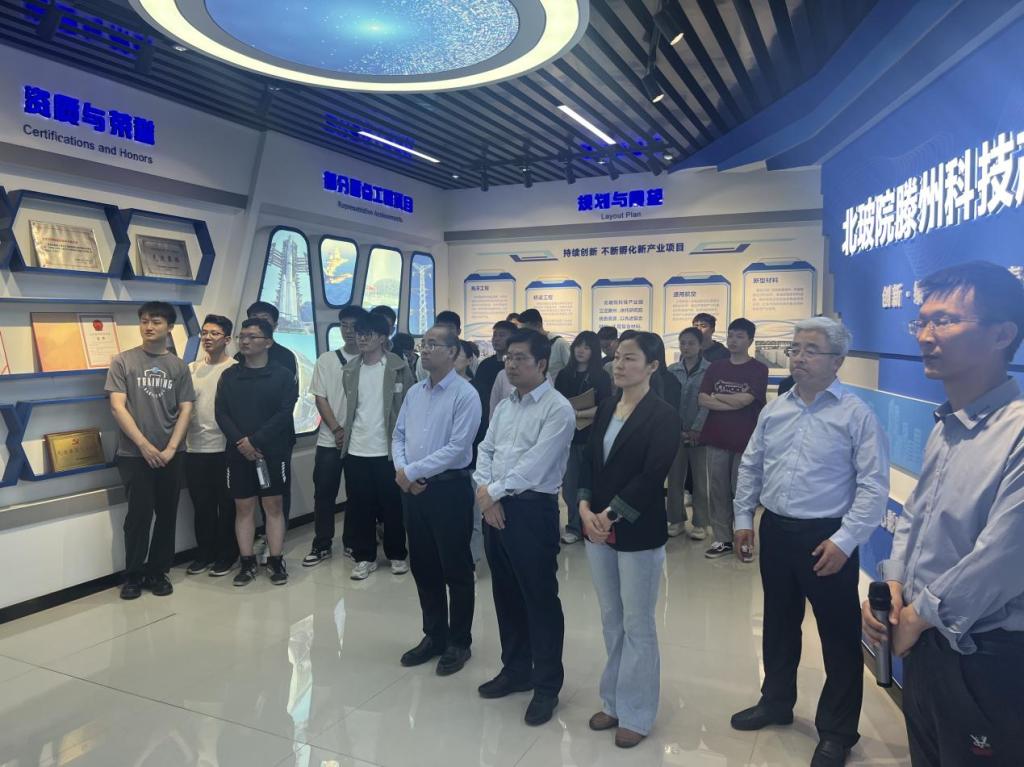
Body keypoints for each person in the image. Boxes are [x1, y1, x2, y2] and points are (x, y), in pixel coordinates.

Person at [862, 261, 1024, 767]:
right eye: (922, 321)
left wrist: (917, 616)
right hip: (925, 641)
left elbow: (1003, 558)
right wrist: (892, 583)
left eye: (946, 321)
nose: (926, 336)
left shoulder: (1017, 431)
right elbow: (915, 514)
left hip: (984, 653)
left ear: (1002, 334)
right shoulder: (946, 425)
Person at [730, 317, 889, 767]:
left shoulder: (856, 415)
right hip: (777, 529)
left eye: (811, 350)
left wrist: (845, 541)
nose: (798, 357)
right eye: (795, 349)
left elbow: (873, 486)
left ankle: (837, 732)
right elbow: (752, 465)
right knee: (778, 623)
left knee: (838, 637)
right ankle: (776, 701)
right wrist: (743, 519)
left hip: (827, 538)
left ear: (838, 361)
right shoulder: (775, 410)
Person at [578, 332, 681, 748]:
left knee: (637, 622)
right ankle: (613, 700)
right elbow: (588, 461)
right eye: (618, 357)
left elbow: (652, 475)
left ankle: (637, 712)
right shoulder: (607, 406)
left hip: (636, 528)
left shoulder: (663, 415)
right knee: (611, 617)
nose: (619, 365)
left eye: (630, 358)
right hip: (596, 529)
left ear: (653, 366)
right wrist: (584, 507)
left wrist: (609, 514)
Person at [473, 329, 575, 726]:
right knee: (506, 594)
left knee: (540, 599)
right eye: (508, 357)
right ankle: (516, 669)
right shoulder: (505, 406)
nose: (511, 365)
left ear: (542, 363)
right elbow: (486, 449)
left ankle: (546, 685)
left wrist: (492, 494)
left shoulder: (557, 409)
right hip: (495, 507)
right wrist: (486, 493)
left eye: (520, 358)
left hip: (532, 510)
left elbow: (536, 464)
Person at [393, 325, 482, 676]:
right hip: (413, 491)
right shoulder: (415, 392)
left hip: (449, 490)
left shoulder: (465, 394)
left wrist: (412, 471)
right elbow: (398, 435)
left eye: (433, 344)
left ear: (453, 352)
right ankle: (434, 635)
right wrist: (404, 471)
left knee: (456, 568)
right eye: (423, 343)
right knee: (423, 566)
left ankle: (459, 641)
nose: (425, 349)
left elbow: (458, 449)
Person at [107, 302, 195, 599]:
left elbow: (186, 409)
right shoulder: (123, 361)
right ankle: (133, 575)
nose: (148, 327)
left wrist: (171, 448)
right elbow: (117, 407)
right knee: (138, 516)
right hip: (134, 455)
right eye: (144, 321)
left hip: (172, 454)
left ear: (169, 327)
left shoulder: (178, 366)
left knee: (167, 515)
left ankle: (158, 572)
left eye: (156, 322)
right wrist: (144, 445)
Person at [216, 318, 298, 587]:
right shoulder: (229, 375)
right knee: (243, 507)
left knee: (273, 506)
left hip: (271, 452)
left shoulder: (282, 375)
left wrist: (256, 441)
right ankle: (247, 561)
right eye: (242, 336)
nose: (245, 341)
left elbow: (284, 413)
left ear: (268, 342)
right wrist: (242, 442)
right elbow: (221, 413)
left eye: (252, 336)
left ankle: (275, 560)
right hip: (238, 453)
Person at [341, 312, 415, 580]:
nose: (361, 338)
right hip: (356, 448)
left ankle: (397, 554)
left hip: (388, 450)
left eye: (368, 334)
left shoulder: (398, 367)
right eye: (359, 333)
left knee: (392, 505)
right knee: (360, 506)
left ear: (383, 338)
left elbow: (410, 407)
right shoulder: (351, 369)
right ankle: (365, 557)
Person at [303, 306, 369, 568]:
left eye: (355, 326)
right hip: (329, 441)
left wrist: (350, 433)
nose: (349, 331)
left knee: (357, 495)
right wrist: (337, 430)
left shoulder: (371, 361)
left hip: (360, 442)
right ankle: (322, 544)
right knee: (324, 493)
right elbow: (320, 398)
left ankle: (352, 542)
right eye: (344, 325)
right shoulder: (326, 360)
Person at [697, 318, 768, 558]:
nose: (733, 340)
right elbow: (702, 399)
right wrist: (732, 401)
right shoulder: (715, 367)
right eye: (730, 335)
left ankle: (744, 538)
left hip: (745, 441)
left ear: (750, 340)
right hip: (716, 437)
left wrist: (718, 397)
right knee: (717, 491)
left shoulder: (759, 369)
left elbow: (746, 401)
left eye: (739, 336)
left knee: (742, 492)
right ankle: (722, 539)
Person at [185, 314, 238, 577]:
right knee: (201, 506)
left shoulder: (235, 369)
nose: (207, 338)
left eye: (214, 333)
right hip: (194, 447)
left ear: (227, 339)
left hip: (225, 448)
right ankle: (204, 553)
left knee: (227, 506)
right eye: (204, 333)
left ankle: (227, 554)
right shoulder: (191, 369)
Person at [554, 331, 612, 545]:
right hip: (568, 437)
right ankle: (574, 526)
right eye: (578, 345)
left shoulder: (601, 376)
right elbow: (556, 404)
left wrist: (578, 413)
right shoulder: (564, 375)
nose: (581, 350)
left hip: (591, 437)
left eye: (587, 347)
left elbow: (605, 407)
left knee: (590, 484)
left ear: (594, 351)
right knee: (570, 486)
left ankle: (593, 525)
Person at [666, 327, 710, 539]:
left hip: (700, 435)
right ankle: (676, 520)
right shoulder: (672, 370)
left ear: (700, 345)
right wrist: (676, 428)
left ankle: (701, 523)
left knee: (701, 482)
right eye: (683, 342)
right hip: (675, 433)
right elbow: (667, 402)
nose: (686, 347)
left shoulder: (710, 370)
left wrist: (696, 429)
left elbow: (708, 403)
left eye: (691, 343)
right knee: (674, 480)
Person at [236, 301, 297, 377]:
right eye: (254, 319)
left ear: (275, 325)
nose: (258, 323)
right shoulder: (239, 356)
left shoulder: (286, 357)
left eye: (264, 320)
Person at [517, 308, 571, 380]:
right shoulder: (529, 347)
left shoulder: (560, 344)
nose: (525, 334)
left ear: (538, 325)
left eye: (527, 330)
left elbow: (572, 369)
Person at [416, 310, 462, 381]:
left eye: (450, 328)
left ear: (459, 331)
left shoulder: (468, 355)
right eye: (440, 328)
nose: (445, 332)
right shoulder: (424, 359)